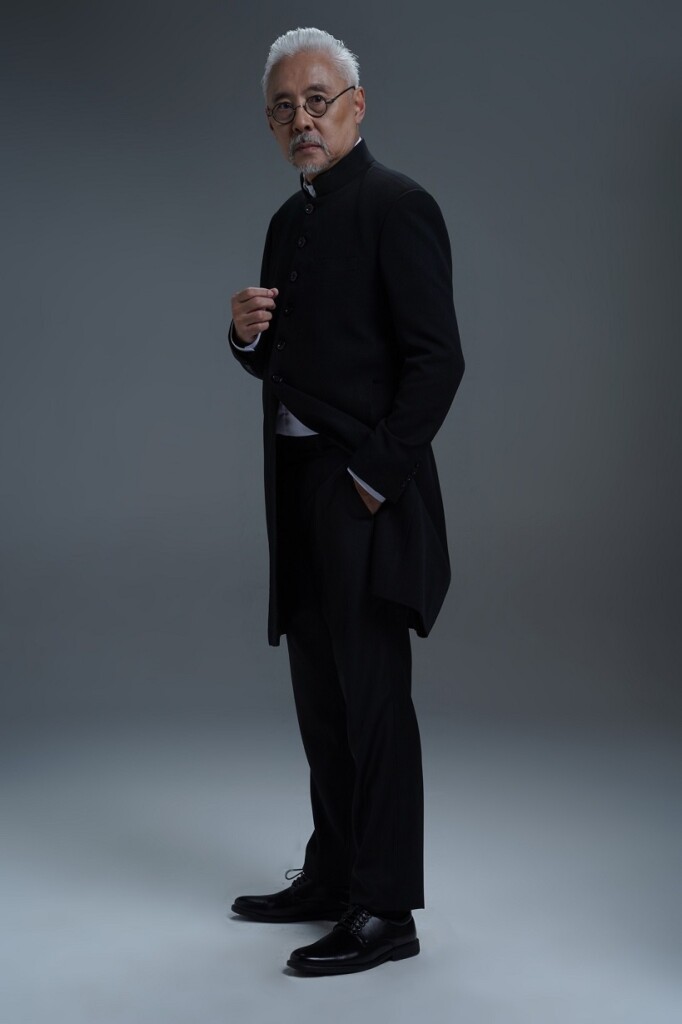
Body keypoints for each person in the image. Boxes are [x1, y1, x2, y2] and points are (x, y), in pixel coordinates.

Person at [228, 27, 464, 976]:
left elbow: (438, 362)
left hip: (362, 490)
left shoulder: (400, 206)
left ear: (356, 106)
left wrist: (370, 479)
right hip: (295, 488)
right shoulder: (287, 221)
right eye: (284, 107)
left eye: (317, 101)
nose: (302, 120)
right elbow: (286, 364)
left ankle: (387, 909)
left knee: (373, 705)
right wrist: (246, 339)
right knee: (321, 699)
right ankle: (333, 875)